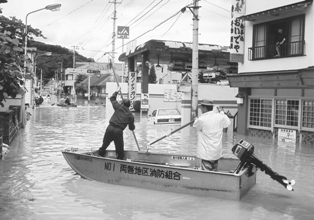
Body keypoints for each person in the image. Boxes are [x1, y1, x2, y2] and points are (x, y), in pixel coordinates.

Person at [193, 99, 231, 171]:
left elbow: (196, 126)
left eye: (201, 108)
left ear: (205, 108)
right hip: (216, 152)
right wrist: (221, 112)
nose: (201, 110)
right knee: (214, 171)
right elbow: (227, 123)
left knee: (207, 174)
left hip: (206, 153)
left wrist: (196, 119)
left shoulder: (202, 119)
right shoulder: (220, 116)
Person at [98, 88, 135, 160]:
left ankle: (100, 155)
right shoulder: (130, 115)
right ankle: (120, 160)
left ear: (122, 103)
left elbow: (112, 98)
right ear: (129, 106)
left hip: (110, 128)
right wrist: (132, 126)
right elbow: (131, 128)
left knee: (104, 145)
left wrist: (117, 91)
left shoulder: (118, 107)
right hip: (118, 131)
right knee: (120, 151)